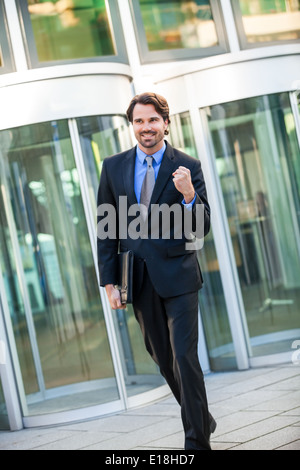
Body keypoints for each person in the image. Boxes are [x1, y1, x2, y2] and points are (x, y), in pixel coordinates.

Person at [97, 92, 216, 450]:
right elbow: (107, 227)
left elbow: (201, 227)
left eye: (152, 120)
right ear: (131, 125)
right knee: (164, 361)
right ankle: (202, 418)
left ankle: (196, 442)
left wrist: (189, 195)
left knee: (184, 356)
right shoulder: (113, 166)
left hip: (179, 276)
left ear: (166, 122)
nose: (146, 128)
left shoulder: (187, 165)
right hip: (138, 278)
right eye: (139, 121)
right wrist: (109, 282)